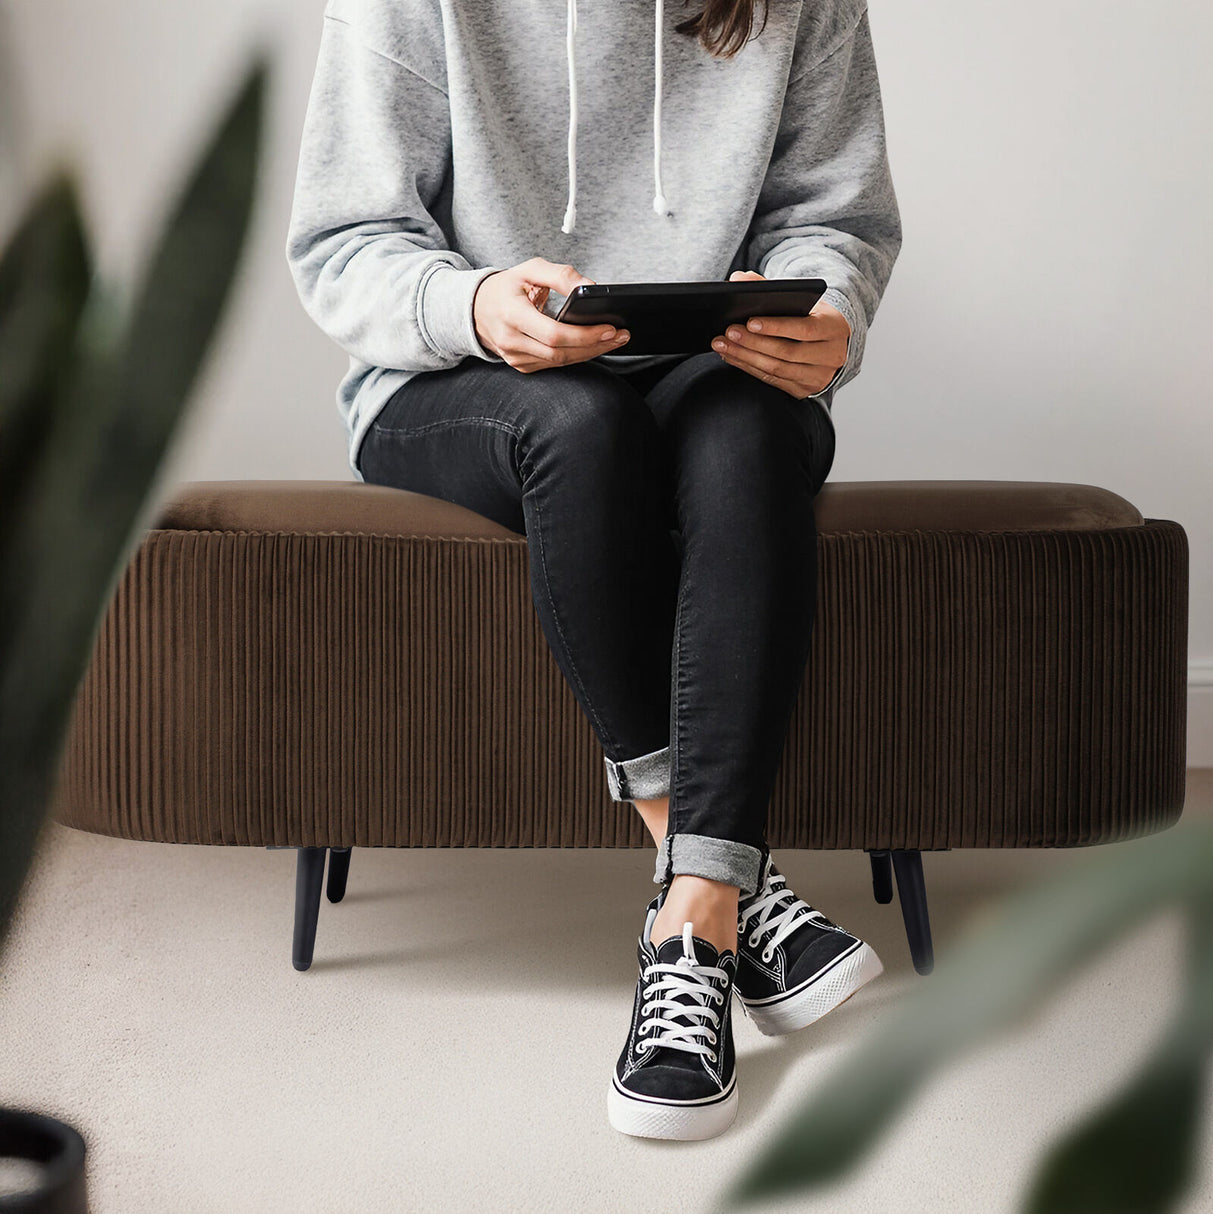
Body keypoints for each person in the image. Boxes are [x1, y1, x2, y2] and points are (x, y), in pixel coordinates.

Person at [286, 0, 901, 1141]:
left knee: (754, 427)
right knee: (577, 422)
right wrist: (470, 302)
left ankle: (693, 924)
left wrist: (831, 317)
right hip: (453, 383)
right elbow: (342, 239)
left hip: (699, 375)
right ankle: (706, 878)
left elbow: (837, 216)